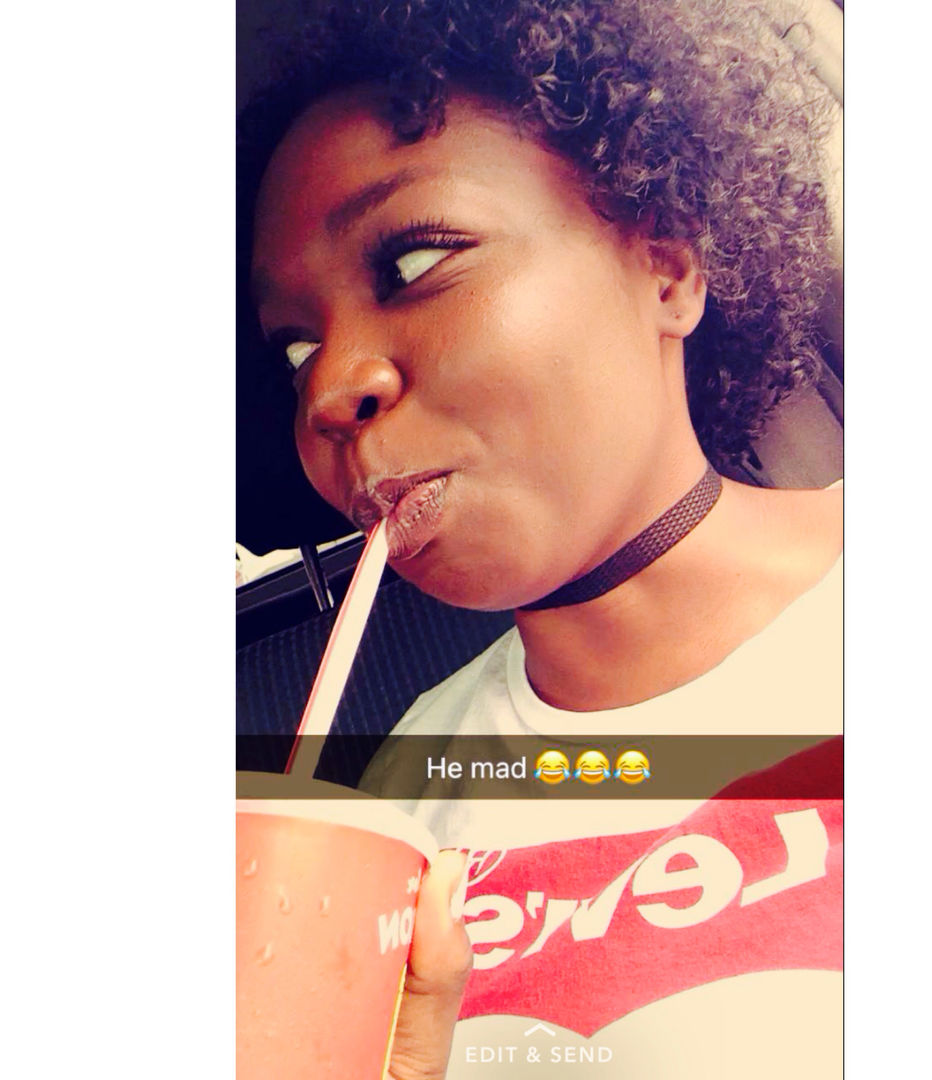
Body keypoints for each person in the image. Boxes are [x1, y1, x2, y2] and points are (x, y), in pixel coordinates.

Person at [239, 0, 842, 1075]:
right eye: (295, 350)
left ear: (667, 268)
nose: (328, 389)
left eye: (415, 264)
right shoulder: (401, 791)